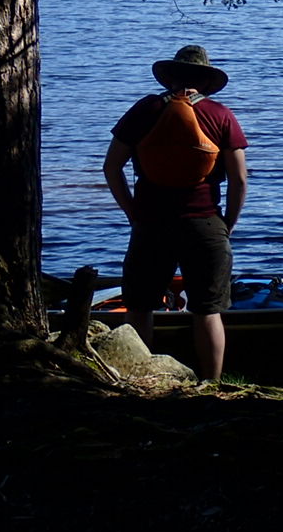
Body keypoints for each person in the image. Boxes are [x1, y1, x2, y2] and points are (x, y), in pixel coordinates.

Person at [103, 46, 248, 380]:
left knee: (139, 310)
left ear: (170, 77)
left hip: (151, 224)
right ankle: (211, 384)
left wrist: (132, 212)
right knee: (208, 312)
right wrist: (226, 224)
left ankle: (139, 381)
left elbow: (111, 168)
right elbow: (239, 180)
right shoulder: (221, 114)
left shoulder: (145, 109)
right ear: (206, 81)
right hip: (205, 224)